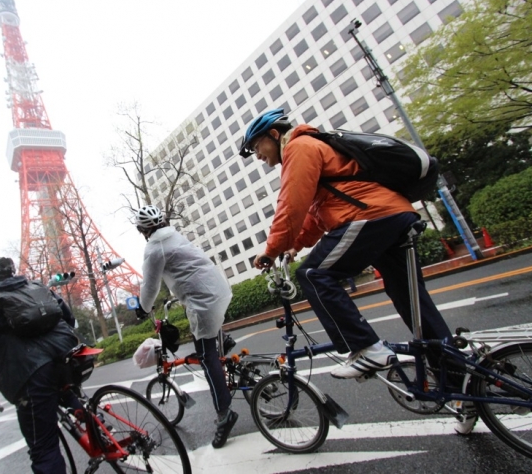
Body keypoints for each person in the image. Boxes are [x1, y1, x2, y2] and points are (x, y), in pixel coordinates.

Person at [240, 109, 475, 430]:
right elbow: (316, 209)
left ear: (274, 135)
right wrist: (295, 244)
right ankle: (464, 392)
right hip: (393, 214)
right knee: (414, 306)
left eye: (257, 147)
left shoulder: (299, 147)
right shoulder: (314, 147)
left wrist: (272, 249)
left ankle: (368, 348)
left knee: (314, 275)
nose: (258, 156)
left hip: (368, 216)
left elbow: (291, 204)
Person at [0, 257, 81, 473]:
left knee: (43, 449)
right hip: (67, 357)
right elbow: (68, 318)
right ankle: (98, 425)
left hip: (29, 374)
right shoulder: (37, 287)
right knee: (68, 389)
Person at [135, 205, 239, 448]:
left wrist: (143, 308)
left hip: (203, 302)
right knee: (211, 336)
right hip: (220, 291)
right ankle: (225, 341)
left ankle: (225, 415)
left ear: (143, 230)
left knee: (205, 355)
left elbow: (150, 287)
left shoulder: (153, 249)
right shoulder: (174, 236)